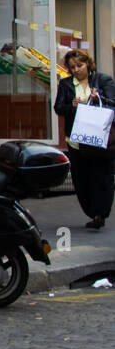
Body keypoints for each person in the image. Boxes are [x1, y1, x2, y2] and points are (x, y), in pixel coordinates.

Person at [54, 49, 114, 230]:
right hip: (76, 140)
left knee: (102, 177)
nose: (76, 70)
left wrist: (98, 98)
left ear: (88, 64)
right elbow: (58, 108)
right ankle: (91, 210)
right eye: (72, 67)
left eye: (79, 65)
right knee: (81, 179)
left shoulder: (103, 80)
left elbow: (112, 102)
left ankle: (100, 213)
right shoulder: (66, 84)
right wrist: (71, 106)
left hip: (99, 140)